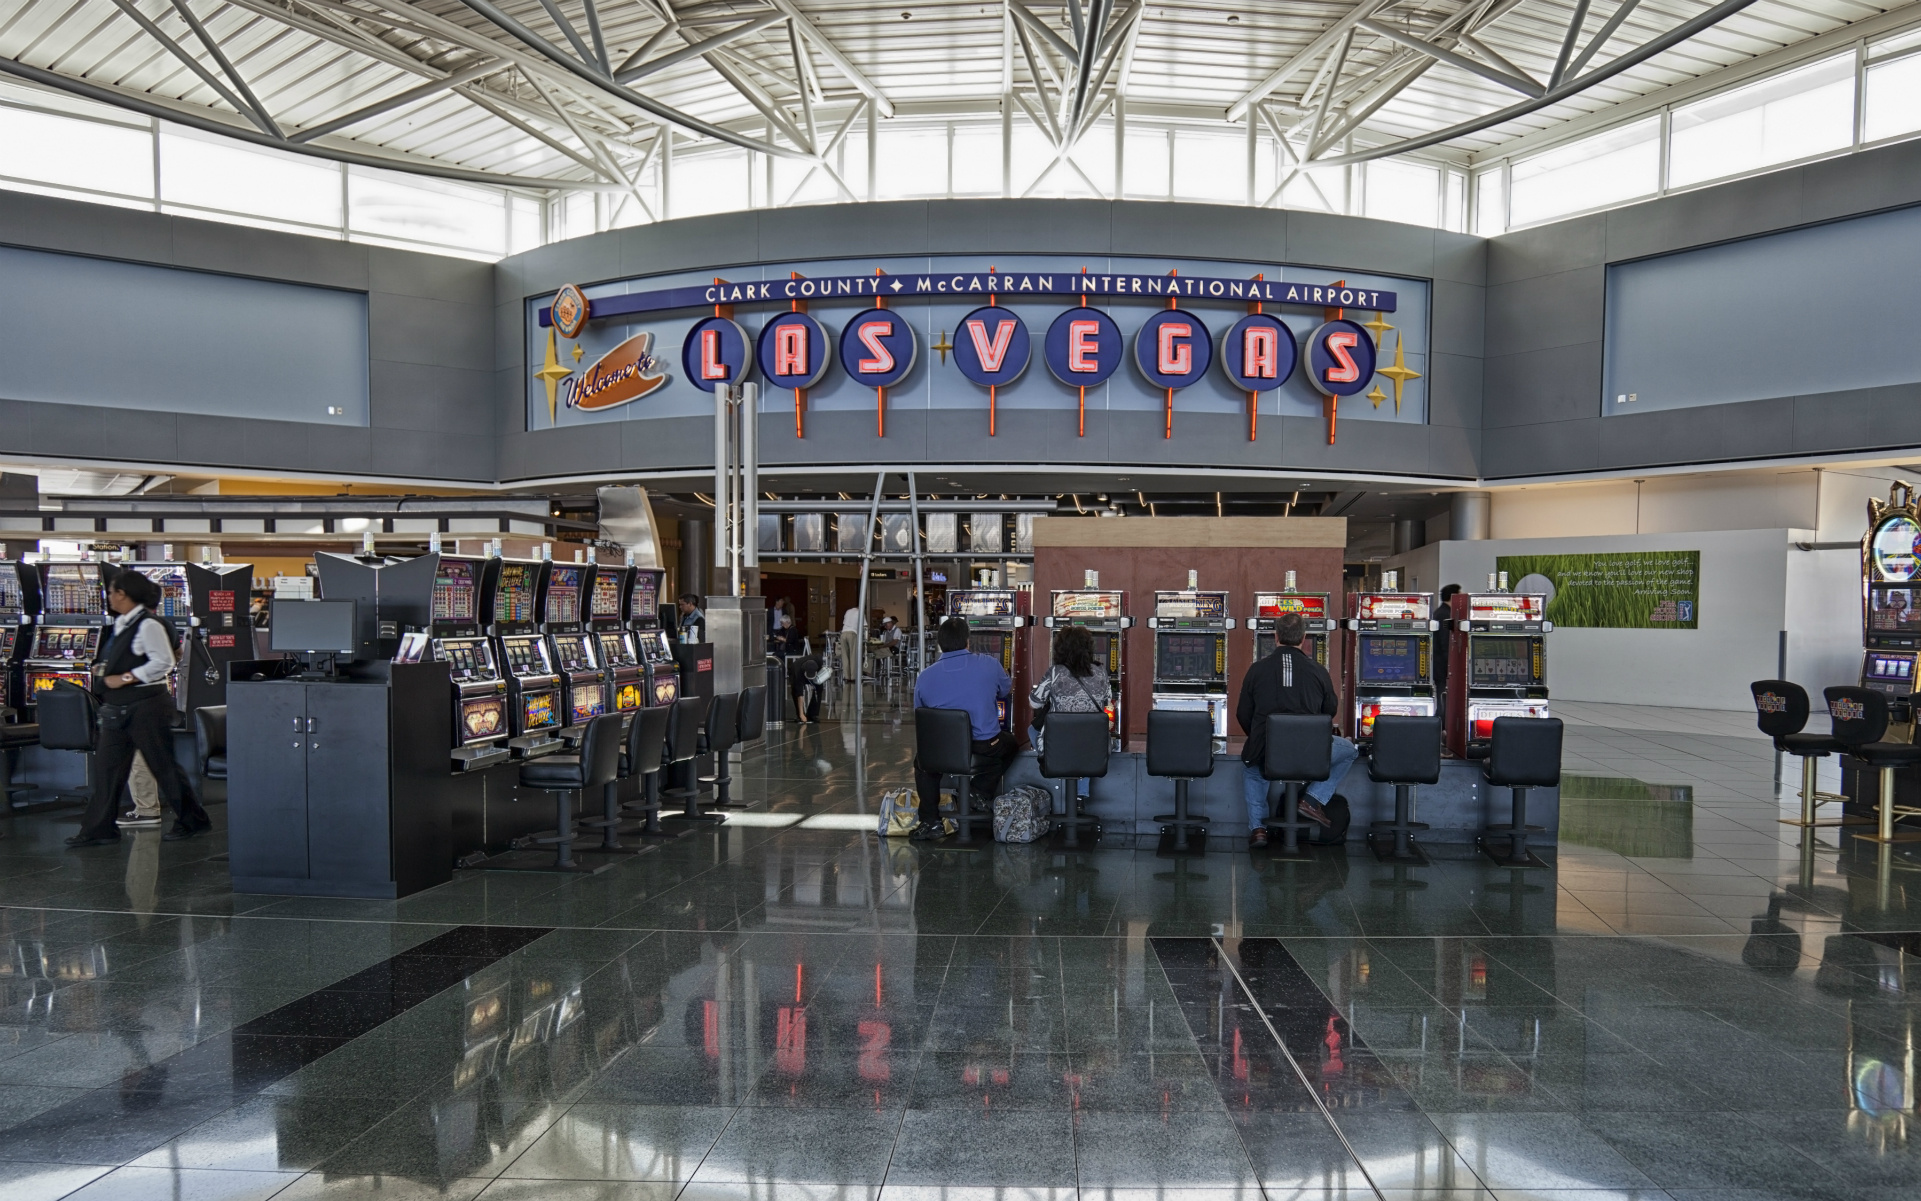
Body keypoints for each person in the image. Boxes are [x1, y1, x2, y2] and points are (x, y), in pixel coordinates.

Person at [67, 570, 212, 848]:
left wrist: (124, 677)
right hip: (119, 705)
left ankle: (194, 820)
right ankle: (99, 829)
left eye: (112, 591)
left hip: (146, 704)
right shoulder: (122, 623)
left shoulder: (148, 625)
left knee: (163, 765)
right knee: (108, 769)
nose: (109, 596)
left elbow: (163, 662)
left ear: (124, 594)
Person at [1235, 611, 1357, 849]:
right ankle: (1311, 799)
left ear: (1275, 635)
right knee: (1350, 749)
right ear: (1304, 638)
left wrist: (1261, 738)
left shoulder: (1257, 670)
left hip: (1267, 753)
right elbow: (1329, 711)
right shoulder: (1318, 671)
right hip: (1311, 754)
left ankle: (1258, 829)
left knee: (1252, 767)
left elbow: (1242, 713)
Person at [911, 617, 1017, 841]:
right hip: (984, 746)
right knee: (1011, 745)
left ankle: (930, 822)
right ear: (968, 641)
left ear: (940, 644)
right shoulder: (989, 664)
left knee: (923, 763)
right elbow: (1005, 690)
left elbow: (921, 715)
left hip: (943, 749)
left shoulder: (925, 677)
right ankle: (977, 790)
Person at [1028, 625, 1110, 756]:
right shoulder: (1101, 672)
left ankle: (1055, 765)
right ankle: (1082, 773)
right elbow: (1107, 701)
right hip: (1094, 742)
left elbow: (1034, 703)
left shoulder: (1055, 672)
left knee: (1033, 730)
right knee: (1085, 751)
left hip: (1059, 741)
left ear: (1060, 649)